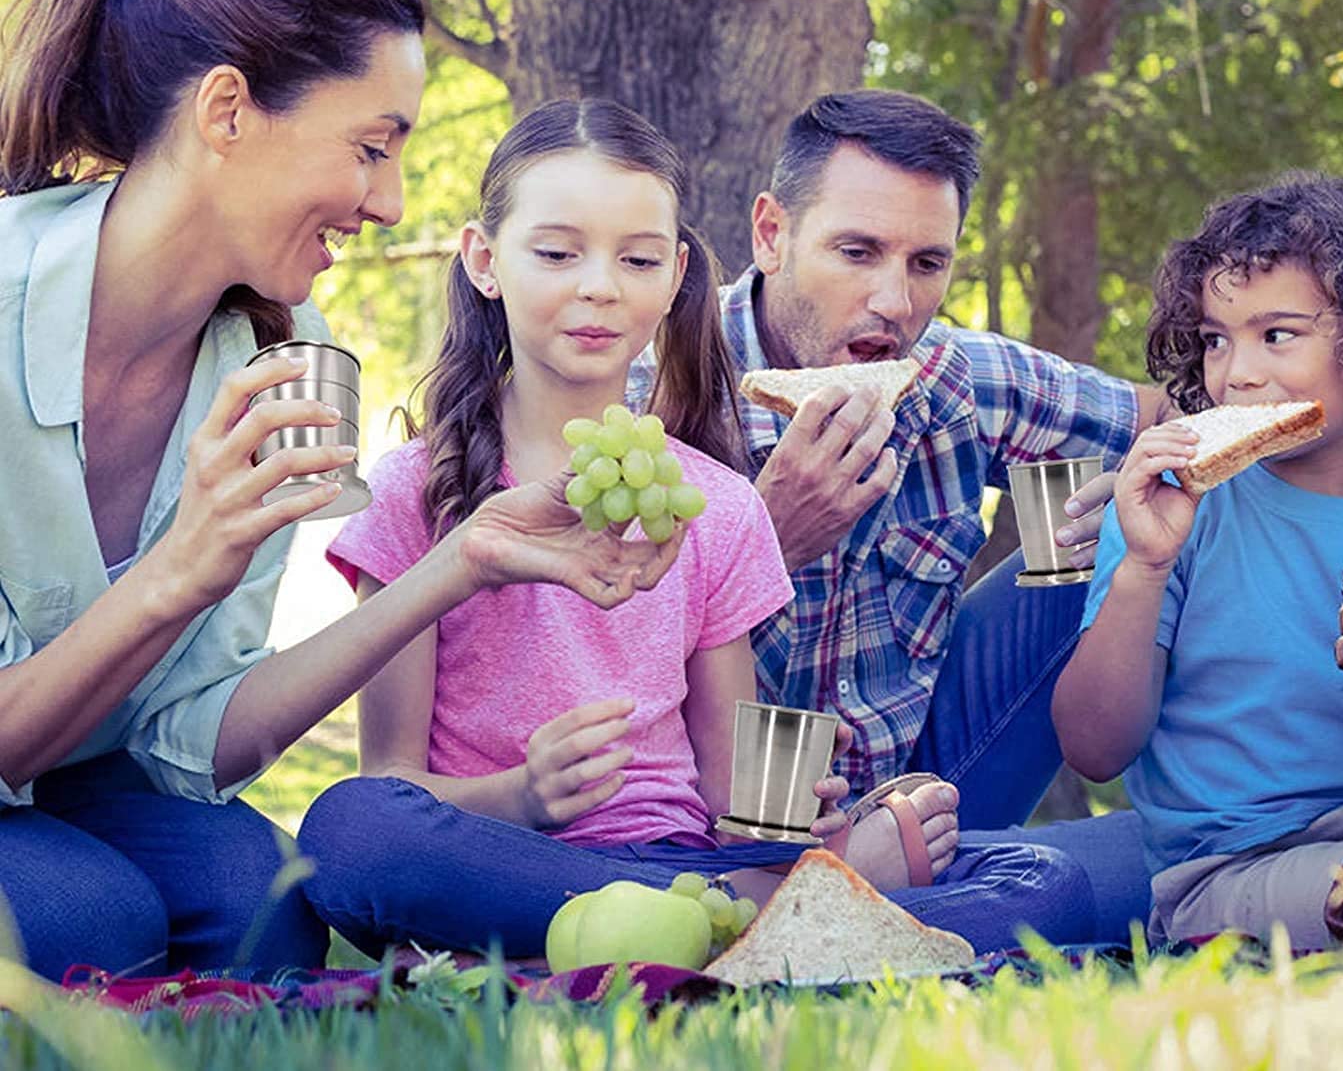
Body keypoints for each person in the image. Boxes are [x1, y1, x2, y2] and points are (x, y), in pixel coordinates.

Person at [0, 0, 679, 982]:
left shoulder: (282, 356)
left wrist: (460, 562)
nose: (388, 201)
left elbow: (194, 740)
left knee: (261, 906)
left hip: (84, 790)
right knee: (94, 920)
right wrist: (181, 567)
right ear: (227, 111)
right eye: (371, 149)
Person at [298, 99, 1097, 961]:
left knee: (1048, 885)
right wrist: (520, 794)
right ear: (486, 262)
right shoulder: (416, 490)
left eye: (637, 259)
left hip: (686, 857)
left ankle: (704, 928)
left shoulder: (719, 503)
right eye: (558, 253)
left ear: (676, 275)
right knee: (351, 829)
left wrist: (816, 814)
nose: (599, 286)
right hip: (512, 857)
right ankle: (759, 932)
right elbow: (392, 782)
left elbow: (732, 790)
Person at [628, 89, 1165, 937]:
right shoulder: (648, 401)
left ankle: (911, 892)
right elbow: (590, 682)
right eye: (857, 251)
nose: (894, 302)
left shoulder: (956, 378)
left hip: (930, 796)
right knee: (1083, 890)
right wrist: (761, 540)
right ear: (771, 234)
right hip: (712, 834)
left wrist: (1159, 486)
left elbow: (1178, 418)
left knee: (1109, 551)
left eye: (926, 263)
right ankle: (855, 906)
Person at [1051, 173, 1343, 949]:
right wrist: (1144, 568)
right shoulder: (1172, 510)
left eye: (1275, 335)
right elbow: (1093, 748)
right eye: (1217, 338)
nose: (1236, 374)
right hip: (1225, 871)